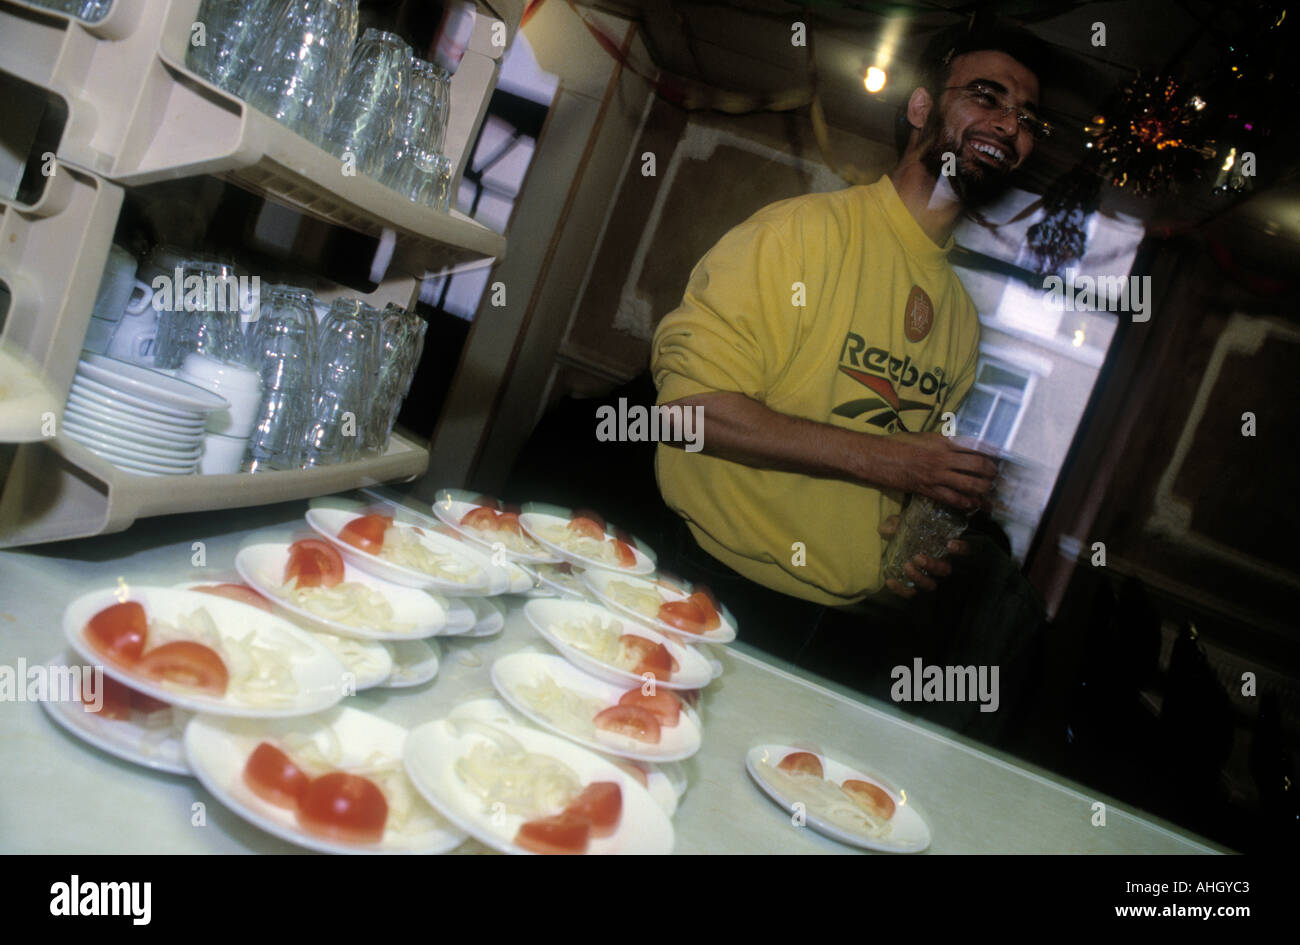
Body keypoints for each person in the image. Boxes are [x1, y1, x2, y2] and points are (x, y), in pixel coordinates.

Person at [649, 19, 1054, 718]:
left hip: (838, 634)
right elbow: (687, 413)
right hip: (703, 590)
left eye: (1026, 117)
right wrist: (891, 464)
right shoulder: (801, 235)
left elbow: (898, 476)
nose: (1009, 124)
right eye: (986, 96)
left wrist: (907, 538)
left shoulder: (958, 319)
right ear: (921, 107)